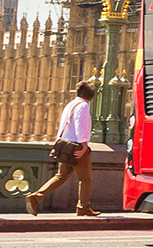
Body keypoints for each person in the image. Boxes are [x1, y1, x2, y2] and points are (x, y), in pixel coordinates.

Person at [28, 80, 99, 217]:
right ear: (91, 96)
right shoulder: (83, 106)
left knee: (60, 176)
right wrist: (84, 146)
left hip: (65, 146)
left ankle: (36, 197)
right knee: (86, 179)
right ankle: (83, 207)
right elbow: (81, 127)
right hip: (76, 148)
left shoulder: (70, 105)